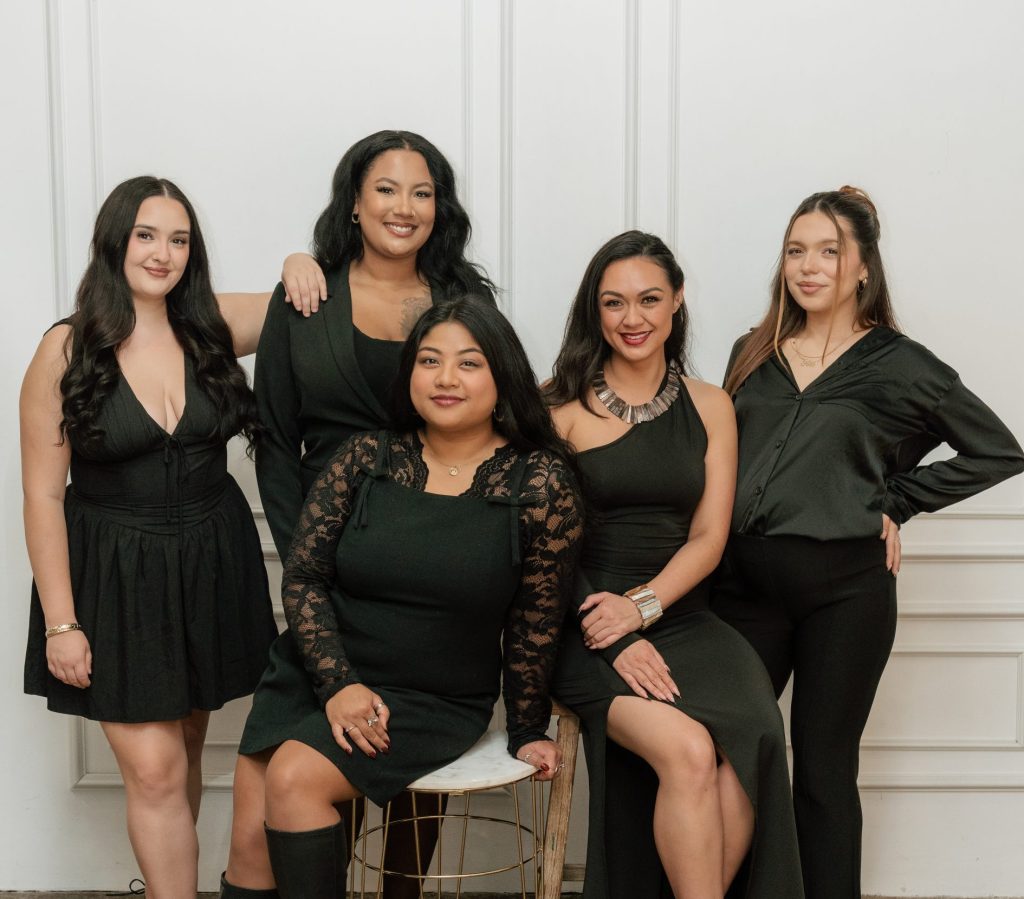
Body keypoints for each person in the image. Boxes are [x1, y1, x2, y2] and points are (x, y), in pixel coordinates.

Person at [712, 186, 1024, 898]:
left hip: (845, 591)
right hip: (742, 587)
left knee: (823, 771)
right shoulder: (751, 351)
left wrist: (897, 500)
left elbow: (999, 451)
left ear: (862, 267)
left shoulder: (901, 363)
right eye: (796, 250)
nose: (809, 266)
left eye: (830, 251)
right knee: (726, 753)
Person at [226, 297, 583, 899]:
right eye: (429, 360)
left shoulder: (540, 482)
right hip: (320, 671)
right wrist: (338, 685)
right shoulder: (365, 457)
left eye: (468, 363)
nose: (446, 378)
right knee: (249, 851)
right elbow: (305, 577)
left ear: (502, 376)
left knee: (293, 778)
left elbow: (535, 621)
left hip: (430, 696)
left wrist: (527, 727)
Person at [222, 129, 497, 897]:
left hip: (425, 568)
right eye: (386, 188)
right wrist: (305, 555)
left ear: (439, 208)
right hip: (326, 568)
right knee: (256, 812)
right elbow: (276, 442)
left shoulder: (463, 304)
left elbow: (493, 421)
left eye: (422, 192)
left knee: (394, 787)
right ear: (353, 201)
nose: (404, 206)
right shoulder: (305, 298)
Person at [21, 175, 279, 898]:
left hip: (212, 561)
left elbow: (310, 300)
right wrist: (62, 623)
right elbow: (43, 495)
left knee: (187, 746)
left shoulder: (210, 326)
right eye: (146, 235)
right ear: (114, 240)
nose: (163, 253)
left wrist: (299, 261)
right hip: (115, 574)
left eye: (179, 239)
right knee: (157, 769)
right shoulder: (65, 348)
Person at [547, 231, 804, 898]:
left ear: (677, 300)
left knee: (753, 738)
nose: (632, 318)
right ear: (594, 310)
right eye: (614, 302)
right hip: (583, 622)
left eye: (649, 299)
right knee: (689, 750)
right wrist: (614, 630)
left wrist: (642, 608)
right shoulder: (558, 410)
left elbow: (708, 538)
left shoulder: (711, 405)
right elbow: (541, 548)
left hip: (683, 616)